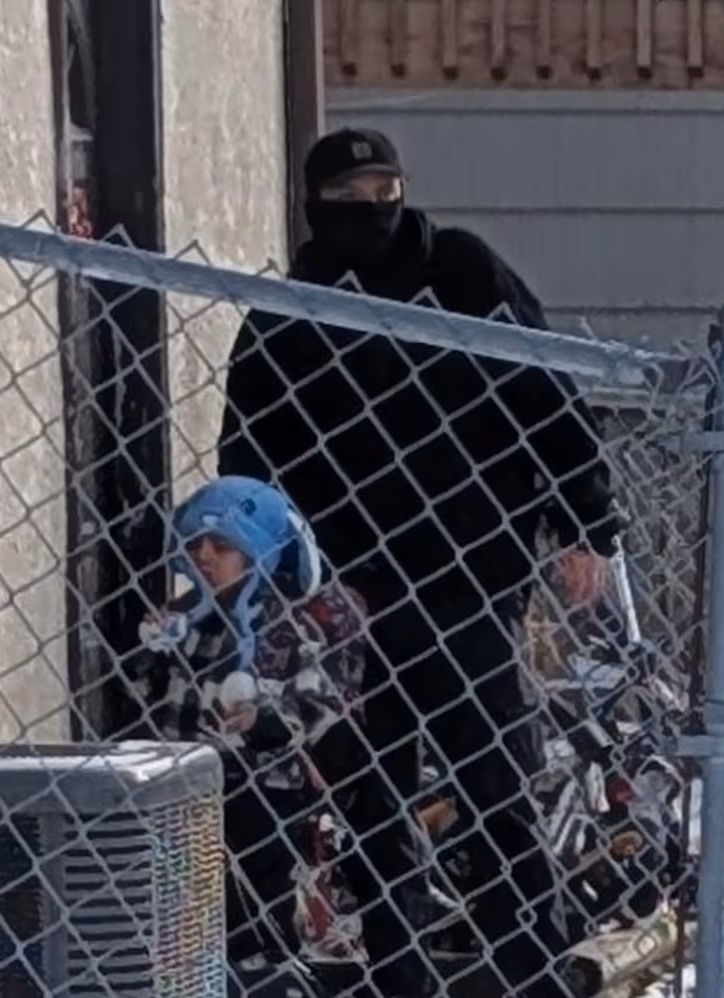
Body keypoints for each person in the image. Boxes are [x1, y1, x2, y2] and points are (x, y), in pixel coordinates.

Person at [216, 129, 622, 997]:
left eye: (384, 185)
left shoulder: (463, 274)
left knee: (496, 784)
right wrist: (262, 574)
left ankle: (529, 968)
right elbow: (249, 456)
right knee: (374, 797)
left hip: (470, 578)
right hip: (349, 596)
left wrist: (587, 519)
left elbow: (545, 390)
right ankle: (400, 974)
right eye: (350, 193)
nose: (372, 206)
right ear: (315, 204)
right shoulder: (287, 314)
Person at [130, 475, 438, 998]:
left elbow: (318, 701)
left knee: (257, 887)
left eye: (223, 546)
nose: (205, 555)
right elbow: (151, 692)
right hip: (183, 781)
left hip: (263, 785)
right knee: (181, 890)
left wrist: (264, 721)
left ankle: (262, 973)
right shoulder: (188, 617)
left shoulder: (288, 621)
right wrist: (154, 650)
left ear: (258, 551)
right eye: (197, 544)